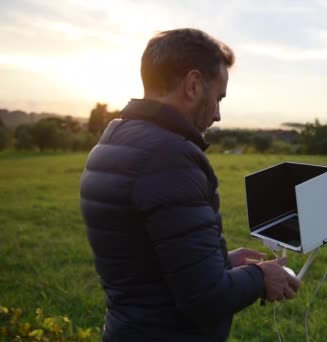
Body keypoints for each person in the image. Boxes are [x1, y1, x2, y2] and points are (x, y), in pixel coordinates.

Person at [80, 28, 300, 341]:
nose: (218, 114)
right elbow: (205, 299)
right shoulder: (170, 157)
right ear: (194, 85)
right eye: (218, 97)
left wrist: (220, 262)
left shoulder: (114, 139)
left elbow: (147, 263)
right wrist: (260, 277)